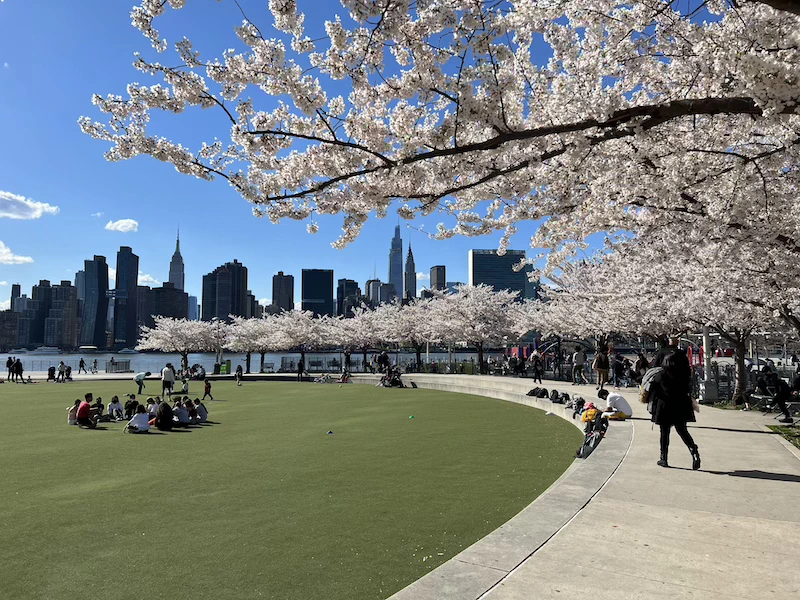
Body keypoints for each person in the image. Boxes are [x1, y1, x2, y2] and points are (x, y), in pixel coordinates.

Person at [651, 339, 700, 469]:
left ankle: (664, 458)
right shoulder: (682, 359)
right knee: (682, 429)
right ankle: (693, 450)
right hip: (681, 399)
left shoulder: (661, 368)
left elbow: (652, 377)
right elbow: (688, 376)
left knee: (664, 431)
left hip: (664, 400)